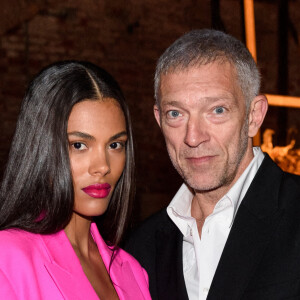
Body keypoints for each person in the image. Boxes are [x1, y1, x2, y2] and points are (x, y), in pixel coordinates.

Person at [125, 29, 300, 300]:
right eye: (176, 114)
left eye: (217, 110)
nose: (193, 137)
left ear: (254, 116)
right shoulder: (140, 251)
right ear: (159, 120)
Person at [0, 61, 151, 300]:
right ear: (41, 148)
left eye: (115, 145)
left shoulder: (133, 271)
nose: (102, 166)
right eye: (79, 145)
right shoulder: (7, 261)